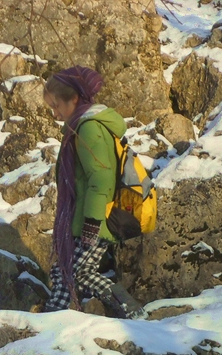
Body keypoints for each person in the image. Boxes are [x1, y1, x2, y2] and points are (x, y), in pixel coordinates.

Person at [42, 66, 146, 319]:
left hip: (94, 218)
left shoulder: (88, 128)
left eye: (56, 106)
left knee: (68, 272)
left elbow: (100, 178)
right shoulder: (82, 125)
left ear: (74, 99)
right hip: (89, 217)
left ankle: (49, 323)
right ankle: (131, 313)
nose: (55, 114)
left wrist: (91, 222)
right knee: (78, 272)